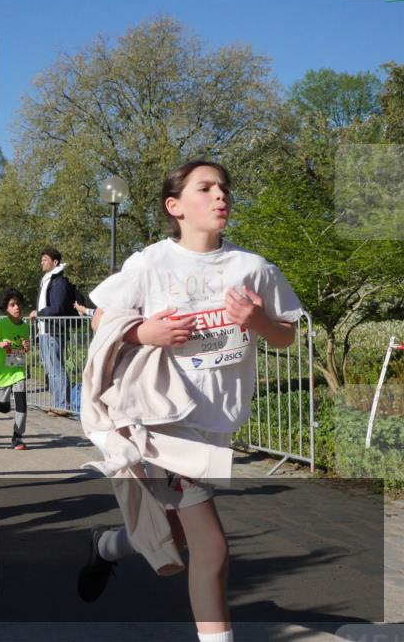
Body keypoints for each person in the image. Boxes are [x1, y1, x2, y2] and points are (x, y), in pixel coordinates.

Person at [76, 160, 303, 642]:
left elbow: (286, 334)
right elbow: (101, 319)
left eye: (224, 188)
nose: (220, 195)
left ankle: (108, 546)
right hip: (163, 419)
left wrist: (258, 321)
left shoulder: (252, 268)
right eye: (205, 188)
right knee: (212, 547)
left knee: (174, 538)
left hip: (215, 421)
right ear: (175, 206)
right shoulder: (151, 264)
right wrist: (144, 332)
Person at [28, 247, 77, 416]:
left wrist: (39, 313)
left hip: (53, 330)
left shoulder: (59, 282)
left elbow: (58, 307)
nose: (41, 262)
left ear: (55, 262)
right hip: (46, 330)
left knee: (56, 368)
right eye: (41, 260)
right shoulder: (48, 280)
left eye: (45, 260)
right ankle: (58, 403)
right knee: (51, 369)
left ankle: (63, 405)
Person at [0, 289, 31, 450]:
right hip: (1, 372)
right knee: (4, 408)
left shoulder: (25, 327)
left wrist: (26, 347)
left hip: (18, 370)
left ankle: (18, 437)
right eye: (12, 304)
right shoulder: (1, 324)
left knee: (22, 405)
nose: (17, 307)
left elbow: (25, 347)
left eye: (18, 304)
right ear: (6, 309)